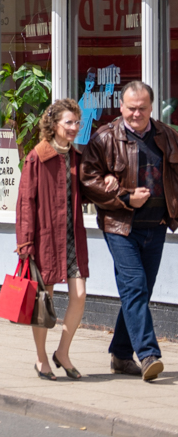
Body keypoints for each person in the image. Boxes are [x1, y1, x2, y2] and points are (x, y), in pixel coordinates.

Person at [80, 81, 178, 382]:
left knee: (140, 291)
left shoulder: (168, 135)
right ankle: (149, 355)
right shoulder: (104, 138)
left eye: (142, 108)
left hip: (157, 225)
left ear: (152, 107)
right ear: (121, 107)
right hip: (120, 226)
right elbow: (87, 181)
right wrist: (123, 196)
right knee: (134, 286)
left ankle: (121, 355)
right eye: (131, 108)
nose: (136, 114)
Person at [16, 99, 89, 381]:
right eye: (68, 122)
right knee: (45, 300)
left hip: (71, 239)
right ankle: (41, 358)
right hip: (45, 237)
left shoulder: (77, 157)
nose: (74, 128)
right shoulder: (37, 157)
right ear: (54, 125)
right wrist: (25, 244)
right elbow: (25, 203)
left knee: (79, 295)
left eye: (76, 123)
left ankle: (62, 352)